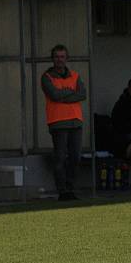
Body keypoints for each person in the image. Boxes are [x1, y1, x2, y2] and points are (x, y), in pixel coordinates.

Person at [41, 44, 87, 201]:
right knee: (60, 158)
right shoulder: (47, 77)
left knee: (75, 157)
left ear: (67, 58)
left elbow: (82, 94)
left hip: (75, 121)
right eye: (56, 57)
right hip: (58, 122)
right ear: (52, 58)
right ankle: (62, 191)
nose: (59, 60)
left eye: (62, 56)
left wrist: (63, 95)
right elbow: (54, 95)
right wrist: (70, 93)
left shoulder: (74, 75)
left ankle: (70, 188)